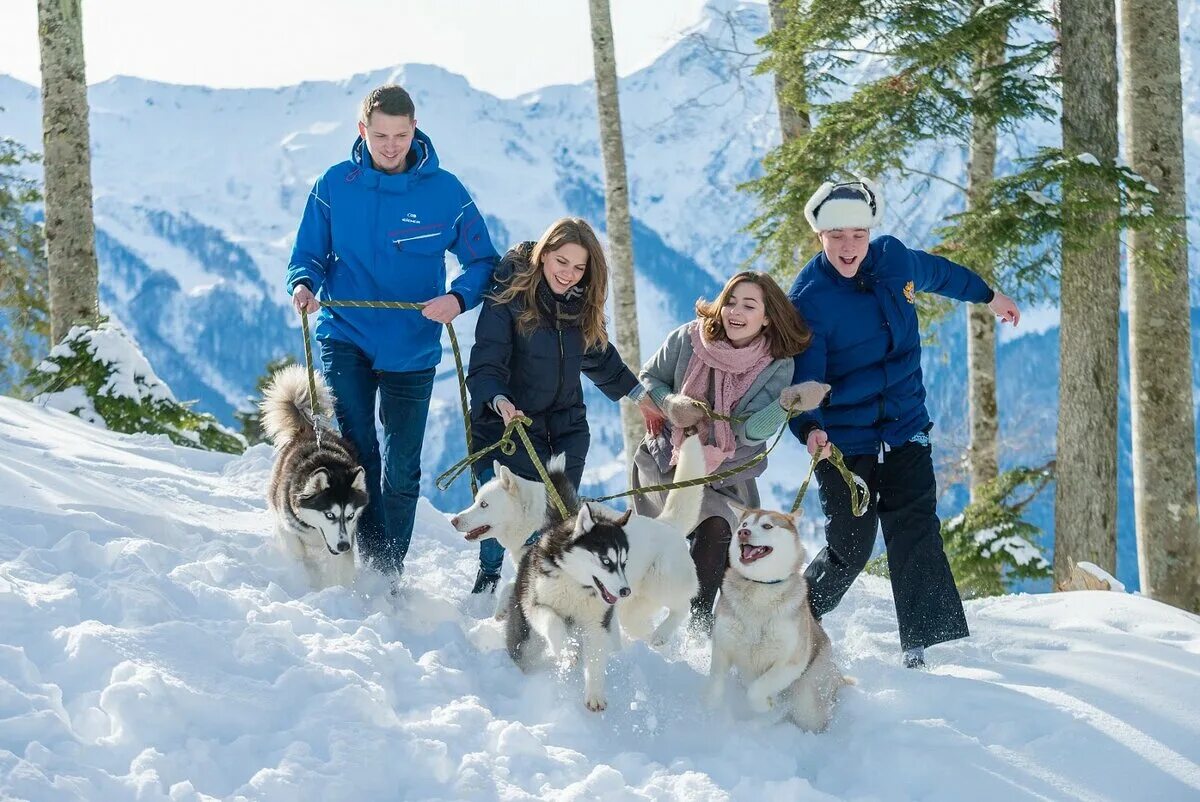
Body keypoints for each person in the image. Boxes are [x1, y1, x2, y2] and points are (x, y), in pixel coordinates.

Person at [788, 177, 1021, 668]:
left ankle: (924, 651)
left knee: (915, 529)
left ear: (870, 232)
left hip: (905, 425)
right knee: (851, 543)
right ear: (820, 237)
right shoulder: (809, 299)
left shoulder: (896, 260)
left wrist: (991, 296)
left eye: (857, 234)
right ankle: (791, 619)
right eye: (836, 236)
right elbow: (803, 378)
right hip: (843, 441)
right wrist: (810, 428)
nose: (848, 246)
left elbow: (942, 274)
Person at [285, 84, 500, 582]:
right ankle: (365, 559)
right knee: (360, 453)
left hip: (414, 344)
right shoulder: (334, 184)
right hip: (346, 333)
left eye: (400, 135)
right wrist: (303, 283)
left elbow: (482, 260)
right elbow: (308, 253)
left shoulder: (446, 192)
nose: (390, 145)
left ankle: (388, 570)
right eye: (380, 134)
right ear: (363, 131)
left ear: (414, 130)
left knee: (402, 467)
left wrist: (458, 298)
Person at [465, 217, 654, 594]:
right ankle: (488, 574)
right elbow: (487, 360)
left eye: (579, 267)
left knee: (558, 517)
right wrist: (499, 400)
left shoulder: (579, 306)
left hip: (566, 427)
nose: (568, 274)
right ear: (544, 255)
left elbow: (601, 357)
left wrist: (641, 398)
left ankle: (539, 591)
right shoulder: (510, 295)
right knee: (505, 509)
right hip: (510, 422)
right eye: (561, 262)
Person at [632, 271, 821, 633]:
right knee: (663, 542)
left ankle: (695, 628)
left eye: (749, 305)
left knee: (719, 532)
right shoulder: (689, 337)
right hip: (669, 462)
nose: (735, 311)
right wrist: (672, 404)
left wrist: (785, 405)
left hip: (726, 475)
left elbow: (750, 432)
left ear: (766, 317)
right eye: (730, 302)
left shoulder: (776, 365)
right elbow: (648, 378)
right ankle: (646, 620)